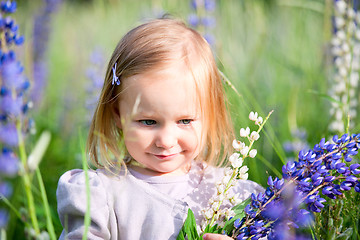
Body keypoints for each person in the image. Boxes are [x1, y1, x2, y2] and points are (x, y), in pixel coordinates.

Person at [56, 18, 263, 240]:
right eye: (148, 122)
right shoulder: (101, 196)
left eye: (185, 121)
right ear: (118, 115)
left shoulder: (234, 194)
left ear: (211, 115)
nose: (166, 140)